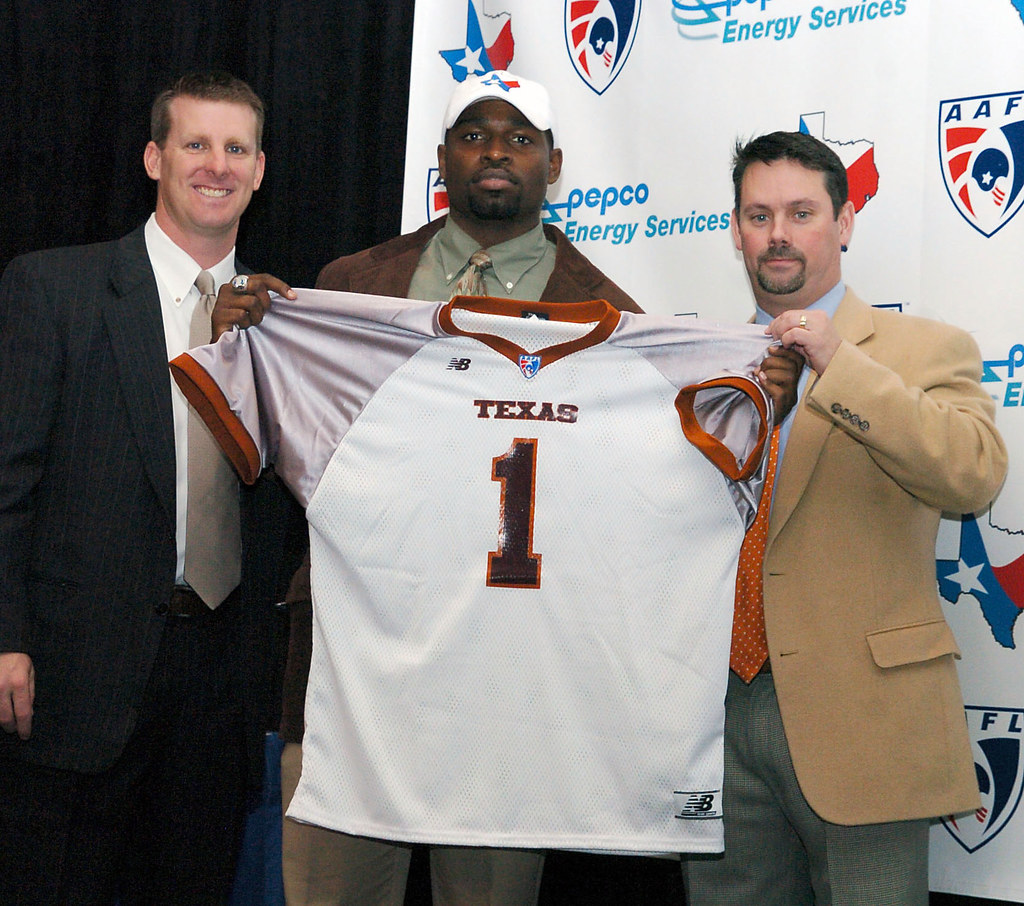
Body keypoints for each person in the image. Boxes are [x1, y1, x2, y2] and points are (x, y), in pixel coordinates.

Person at [270, 72, 799, 906]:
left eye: (520, 139)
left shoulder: (612, 314)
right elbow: (279, 445)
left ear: (554, 164)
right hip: (356, 663)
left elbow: (651, 496)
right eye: (475, 134)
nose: (495, 152)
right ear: (443, 158)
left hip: (512, 687)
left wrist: (756, 389)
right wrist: (251, 340)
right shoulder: (350, 285)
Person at [0, 70, 305, 905]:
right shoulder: (54, 289)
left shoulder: (292, 323)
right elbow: (7, 482)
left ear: (261, 169)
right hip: (74, 670)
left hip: (221, 682)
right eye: (195, 144)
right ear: (152, 158)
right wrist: (5, 636)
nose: (217, 165)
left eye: (236, 147)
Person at [682, 131, 1008, 906]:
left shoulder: (923, 349)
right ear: (735, 231)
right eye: (758, 215)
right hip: (713, 715)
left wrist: (840, 364)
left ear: (846, 222)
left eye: (802, 212)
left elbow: (973, 474)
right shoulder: (697, 364)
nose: (779, 234)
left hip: (863, 716)